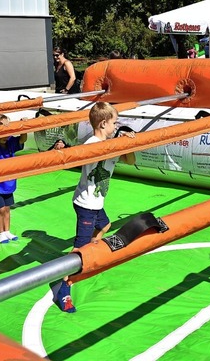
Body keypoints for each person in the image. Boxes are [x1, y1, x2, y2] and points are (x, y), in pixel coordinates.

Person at [55, 102, 136, 313]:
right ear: (102, 124)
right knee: (78, 249)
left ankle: (90, 253)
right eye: (114, 123)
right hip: (86, 204)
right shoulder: (91, 143)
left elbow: (130, 161)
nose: (116, 126)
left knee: (106, 225)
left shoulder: (113, 143)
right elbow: (82, 155)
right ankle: (63, 287)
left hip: (96, 202)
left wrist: (129, 143)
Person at [0, 114, 27, 244]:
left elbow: (23, 139)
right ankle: (0, 233)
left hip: (8, 183)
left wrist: (23, 125)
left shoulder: (10, 141)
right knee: (0, 209)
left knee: (7, 209)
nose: (6, 134)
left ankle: (7, 231)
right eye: (3, 130)